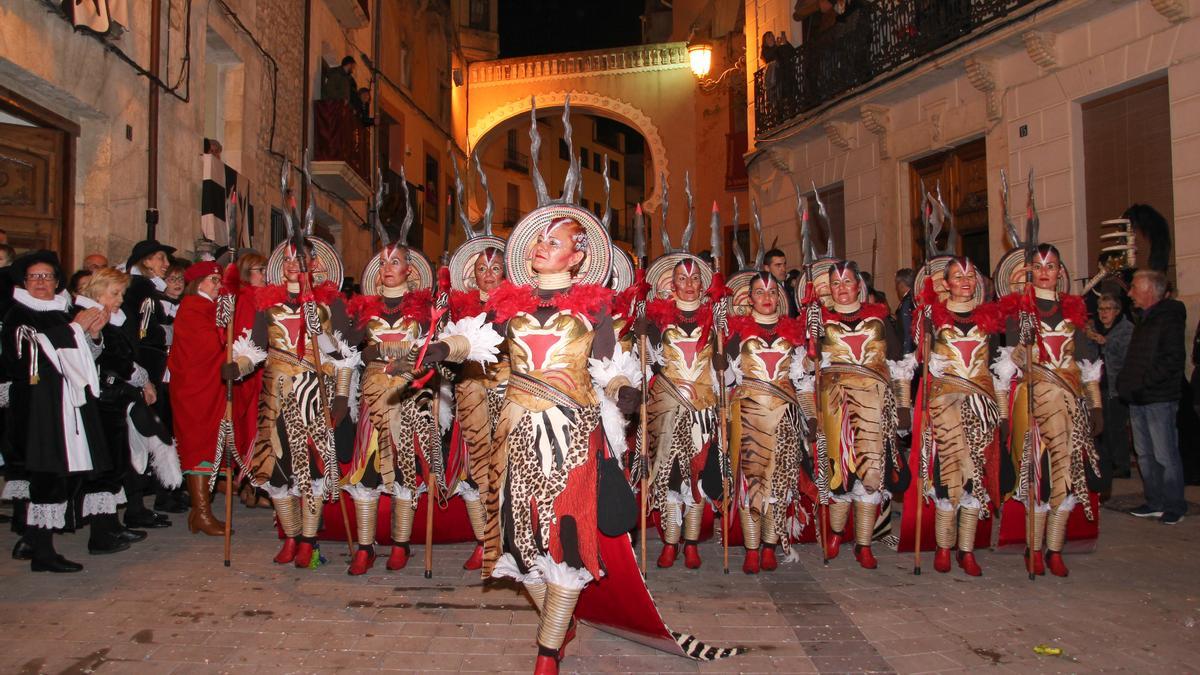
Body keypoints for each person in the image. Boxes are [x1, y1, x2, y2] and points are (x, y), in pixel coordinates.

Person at [483, 213, 642, 674]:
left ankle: (548, 648)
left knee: (567, 539)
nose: (541, 245)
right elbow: (474, 341)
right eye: (538, 238)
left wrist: (621, 389)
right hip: (518, 434)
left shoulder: (595, 308)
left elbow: (610, 365)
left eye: (554, 241)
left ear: (577, 257)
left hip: (573, 436)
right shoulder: (506, 304)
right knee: (518, 539)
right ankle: (560, 618)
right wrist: (442, 350)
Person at [223, 236, 357, 568]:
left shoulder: (331, 304)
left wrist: (341, 399)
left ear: (314, 265)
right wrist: (236, 366)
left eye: (300, 260)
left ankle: (308, 543)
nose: (292, 265)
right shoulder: (265, 303)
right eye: (286, 260)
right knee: (276, 471)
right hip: (277, 396)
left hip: (315, 393)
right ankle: (291, 535)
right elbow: (254, 350)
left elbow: (344, 354)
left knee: (311, 470)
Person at [998, 244, 1104, 577]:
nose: (1045, 271)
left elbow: (1086, 364)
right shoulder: (1019, 311)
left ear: (1060, 271)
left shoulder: (1074, 311)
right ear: (1029, 271)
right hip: (1033, 402)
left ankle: (1055, 550)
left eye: (1052, 266)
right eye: (1038, 266)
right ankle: (1033, 547)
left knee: (1064, 477)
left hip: (1070, 404)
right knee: (1037, 479)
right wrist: (1023, 343)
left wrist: (1096, 406)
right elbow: (1009, 362)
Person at [2, 251, 110, 572]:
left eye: (47, 276)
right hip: (37, 407)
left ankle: (36, 541)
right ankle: (42, 552)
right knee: (45, 475)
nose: (41, 282)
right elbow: (26, 357)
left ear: (57, 281)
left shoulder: (66, 310)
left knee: (66, 475)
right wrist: (75, 329)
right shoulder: (17, 315)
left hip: (69, 404)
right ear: (24, 282)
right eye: (34, 277)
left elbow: (84, 357)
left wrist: (92, 335)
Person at [902, 257, 1003, 576]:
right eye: (957, 276)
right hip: (944, 404)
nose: (965, 280)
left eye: (970, 275)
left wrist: (999, 412)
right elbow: (917, 356)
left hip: (979, 404)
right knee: (948, 474)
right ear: (945, 282)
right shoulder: (930, 315)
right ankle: (944, 548)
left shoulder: (989, 317)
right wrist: (926, 319)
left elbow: (997, 365)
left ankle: (967, 550)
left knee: (975, 475)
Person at [815, 260, 912, 569]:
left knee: (871, 474)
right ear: (828, 290)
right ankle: (836, 533)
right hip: (836, 408)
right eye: (835, 284)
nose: (842, 289)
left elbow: (900, 367)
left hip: (875, 405)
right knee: (840, 475)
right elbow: (807, 372)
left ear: (859, 286)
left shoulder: (882, 320)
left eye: (847, 283)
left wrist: (903, 408)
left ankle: (864, 544)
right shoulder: (819, 323)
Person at [726, 271, 812, 574]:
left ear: (779, 297)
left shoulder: (795, 331)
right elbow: (725, 379)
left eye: (772, 292)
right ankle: (751, 549)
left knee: (778, 480)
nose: (767, 297)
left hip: (784, 416)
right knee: (752, 481)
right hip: (748, 414)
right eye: (760, 292)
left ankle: (769, 547)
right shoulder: (736, 333)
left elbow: (803, 380)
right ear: (749, 299)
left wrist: (811, 415)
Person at [643, 256, 723, 569]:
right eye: (681, 279)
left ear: (702, 285)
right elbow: (647, 364)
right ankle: (670, 542)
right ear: (671, 284)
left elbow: (728, 367)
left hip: (702, 409)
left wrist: (723, 367)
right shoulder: (656, 319)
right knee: (668, 476)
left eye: (693, 280)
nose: (688, 285)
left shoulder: (717, 319)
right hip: (666, 408)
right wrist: (642, 335)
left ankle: (691, 544)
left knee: (697, 476)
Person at [75, 267, 156, 553]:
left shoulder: (107, 317)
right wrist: (143, 378)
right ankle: (101, 534)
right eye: (115, 293)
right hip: (99, 401)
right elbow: (117, 360)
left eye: (121, 293)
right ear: (98, 293)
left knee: (114, 463)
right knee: (103, 466)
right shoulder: (90, 317)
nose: (120, 299)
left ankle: (110, 526)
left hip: (112, 400)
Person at [447, 243, 508, 571]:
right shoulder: (460, 309)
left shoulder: (517, 308)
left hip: (507, 394)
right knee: (473, 469)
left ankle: (506, 542)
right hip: (470, 394)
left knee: (506, 469)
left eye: (495, 268)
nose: (488, 275)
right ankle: (484, 541)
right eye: (482, 270)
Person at [1118, 270, 1187, 525]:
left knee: (1165, 454)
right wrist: (1127, 385)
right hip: (1139, 398)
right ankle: (1155, 501)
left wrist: (1143, 385)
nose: (1129, 293)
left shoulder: (1169, 318)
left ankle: (1174, 505)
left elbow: (1171, 361)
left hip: (1158, 398)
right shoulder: (1144, 318)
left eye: (1134, 287)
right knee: (1145, 454)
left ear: (1149, 290)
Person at [167, 261, 229, 536]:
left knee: (209, 443)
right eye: (213, 281)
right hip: (195, 389)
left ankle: (200, 512)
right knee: (198, 444)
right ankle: (201, 512)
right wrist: (229, 337)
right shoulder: (193, 308)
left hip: (208, 387)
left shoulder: (209, 307)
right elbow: (207, 346)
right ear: (198, 283)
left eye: (219, 280)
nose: (218, 286)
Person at [120, 239, 178, 529]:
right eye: (159, 258)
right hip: (143, 369)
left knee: (148, 435)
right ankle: (135, 506)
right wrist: (170, 332)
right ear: (144, 261)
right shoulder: (143, 290)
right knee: (140, 437)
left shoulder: (149, 290)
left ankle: (146, 501)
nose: (165, 263)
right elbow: (143, 332)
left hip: (147, 368)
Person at [228, 252, 271, 509]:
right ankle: (252, 485)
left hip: (265, 372)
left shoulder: (264, 298)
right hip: (252, 373)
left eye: (265, 269)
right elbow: (246, 340)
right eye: (259, 270)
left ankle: (255, 486)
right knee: (254, 429)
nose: (264, 275)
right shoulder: (246, 299)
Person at [1088, 293, 1133, 491]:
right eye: (1100, 309)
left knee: (1116, 426)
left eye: (1107, 309)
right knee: (1100, 426)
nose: (1103, 313)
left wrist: (1104, 342)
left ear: (1117, 311)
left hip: (1116, 384)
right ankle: (1105, 462)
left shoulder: (1126, 329)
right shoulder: (1094, 328)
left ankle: (1122, 465)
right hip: (1098, 384)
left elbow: (1126, 354)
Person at [762, 248, 798, 318]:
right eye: (778, 265)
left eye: (784, 265)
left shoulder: (792, 290)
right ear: (767, 268)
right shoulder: (761, 293)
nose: (783, 269)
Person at [894, 268, 915, 354]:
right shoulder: (914, 299)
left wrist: (906, 355)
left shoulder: (906, 303)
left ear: (901, 285)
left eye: (897, 284)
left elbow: (907, 332)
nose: (896, 288)